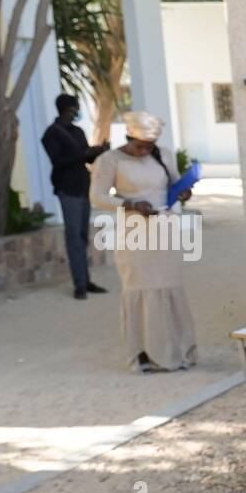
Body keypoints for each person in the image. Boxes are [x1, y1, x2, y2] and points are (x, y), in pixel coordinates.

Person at [90, 111, 196, 373]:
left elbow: (174, 185)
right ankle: (143, 354)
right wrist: (130, 204)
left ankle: (177, 351)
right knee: (140, 287)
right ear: (128, 138)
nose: (144, 151)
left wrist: (184, 192)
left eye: (149, 147)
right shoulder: (109, 160)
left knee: (168, 285)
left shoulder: (164, 155)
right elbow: (97, 197)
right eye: (139, 146)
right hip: (132, 231)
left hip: (165, 227)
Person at [41, 93, 110, 300]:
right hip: (68, 189)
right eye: (74, 108)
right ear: (67, 109)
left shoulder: (78, 131)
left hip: (82, 187)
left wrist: (99, 151)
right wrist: (84, 154)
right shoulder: (51, 134)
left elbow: (85, 158)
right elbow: (58, 161)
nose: (76, 112)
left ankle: (86, 280)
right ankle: (79, 284)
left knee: (82, 236)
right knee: (73, 238)